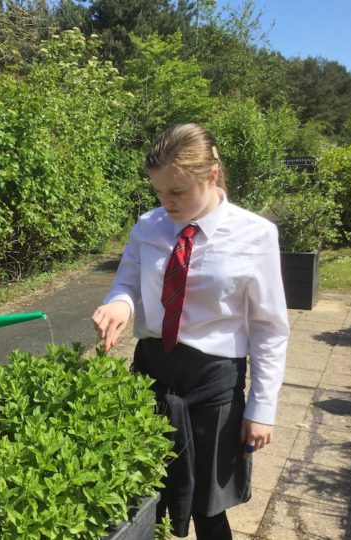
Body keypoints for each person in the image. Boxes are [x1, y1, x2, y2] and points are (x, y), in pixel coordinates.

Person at [91, 124, 289, 540]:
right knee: (142, 493)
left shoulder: (255, 235)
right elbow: (126, 282)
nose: (166, 202)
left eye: (177, 192)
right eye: (159, 191)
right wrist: (119, 304)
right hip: (151, 372)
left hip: (213, 382)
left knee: (208, 508)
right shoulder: (150, 225)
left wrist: (262, 409)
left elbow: (269, 329)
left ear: (211, 174)